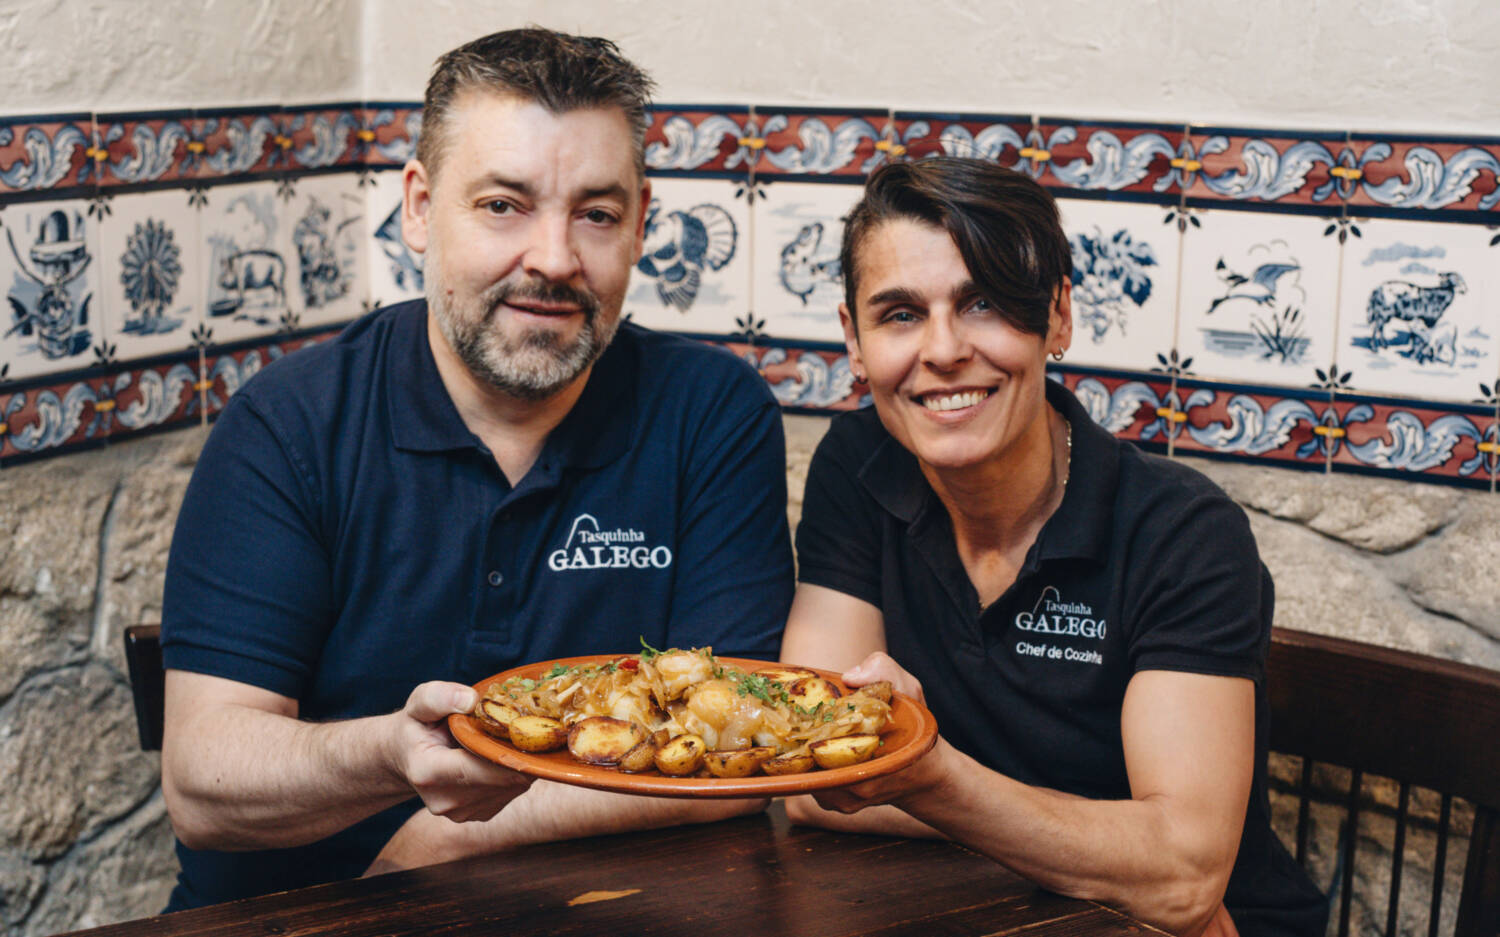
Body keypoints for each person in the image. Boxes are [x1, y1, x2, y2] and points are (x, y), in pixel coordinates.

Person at [159, 27, 794, 910]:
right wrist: (393, 755)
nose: (555, 257)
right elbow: (201, 785)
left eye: (597, 214)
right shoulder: (290, 423)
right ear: (419, 207)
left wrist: (441, 837)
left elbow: (731, 750)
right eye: (504, 204)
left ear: (643, 222)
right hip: (293, 918)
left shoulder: (713, 415)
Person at [779, 158, 1328, 937]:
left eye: (986, 303)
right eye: (900, 314)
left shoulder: (1181, 531)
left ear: (1059, 316)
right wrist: (1084, 839)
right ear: (854, 342)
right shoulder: (859, 465)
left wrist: (925, 777)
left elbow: (1183, 879)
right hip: (982, 908)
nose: (942, 349)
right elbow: (813, 779)